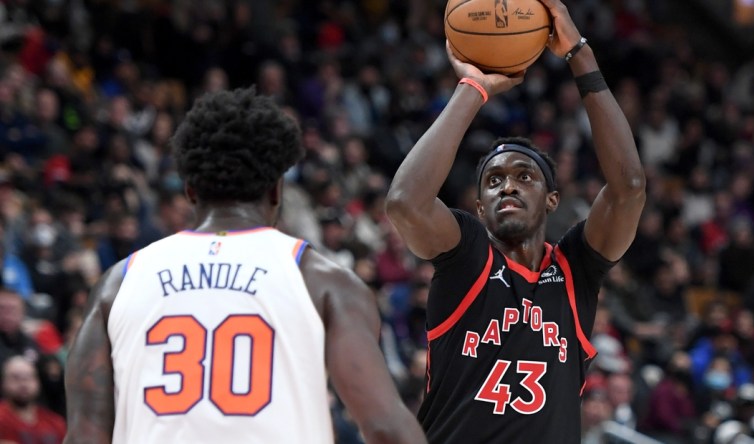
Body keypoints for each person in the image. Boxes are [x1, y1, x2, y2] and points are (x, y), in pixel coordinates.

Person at [64, 87, 427, 444]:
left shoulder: (117, 283)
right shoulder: (324, 282)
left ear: (190, 189)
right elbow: (385, 426)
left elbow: (84, 437)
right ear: (275, 189)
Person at [384, 0, 646, 441]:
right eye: (493, 180)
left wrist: (579, 53)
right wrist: (473, 88)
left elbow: (630, 188)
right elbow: (404, 202)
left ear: (551, 200)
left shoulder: (574, 271)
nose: (508, 186)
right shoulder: (469, 257)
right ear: (479, 206)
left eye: (525, 177)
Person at [0, 355, 66, 443]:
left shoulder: (56, 423)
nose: (23, 383)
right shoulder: (2, 418)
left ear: (38, 382)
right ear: (3, 383)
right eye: (15, 378)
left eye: (28, 377)